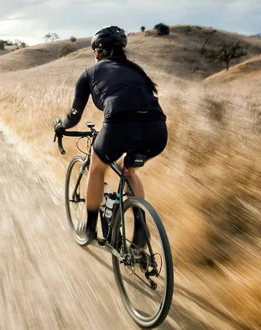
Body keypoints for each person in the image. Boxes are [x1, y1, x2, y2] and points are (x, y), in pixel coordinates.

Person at [54, 26, 168, 242]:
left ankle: (89, 229)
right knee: (128, 168)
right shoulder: (137, 71)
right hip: (157, 131)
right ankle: (141, 229)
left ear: (98, 51)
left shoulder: (89, 73)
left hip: (119, 127)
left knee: (97, 168)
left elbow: (74, 116)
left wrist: (61, 125)